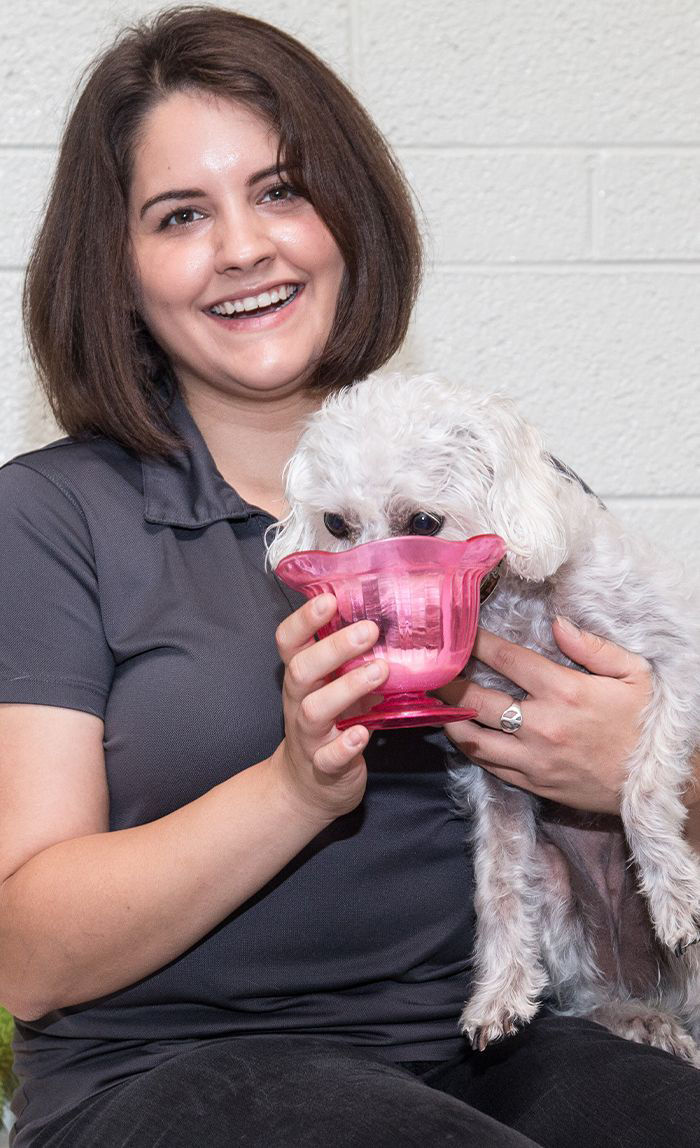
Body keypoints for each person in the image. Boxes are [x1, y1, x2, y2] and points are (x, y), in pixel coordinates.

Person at [0, 7, 698, 1146]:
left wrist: (639, 770)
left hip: (489, 1040)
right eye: (181, 215)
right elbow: (25, 954)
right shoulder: (53, 517)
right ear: (119, 273)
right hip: (167, 1078)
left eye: (280, 190)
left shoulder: (504, 492)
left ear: (349, 213)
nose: (242, 246)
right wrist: (294, 786)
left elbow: (654, 875)